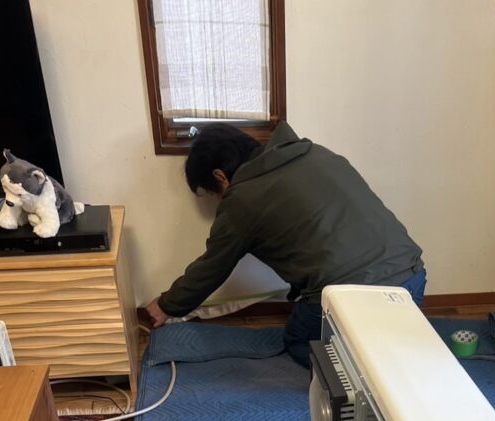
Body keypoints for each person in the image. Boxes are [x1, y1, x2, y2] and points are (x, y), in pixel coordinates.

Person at [145, 122, 426, 367]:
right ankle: (387, 346)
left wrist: (167, 305)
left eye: (213, 194)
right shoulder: (316, 153)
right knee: (374, 337)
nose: (218, 201)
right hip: (412, 280)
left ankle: (361, 377)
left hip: (350, 298)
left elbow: (211, 268)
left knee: (298, 340)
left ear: (220, 176)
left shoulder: (242, 199)